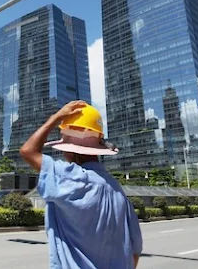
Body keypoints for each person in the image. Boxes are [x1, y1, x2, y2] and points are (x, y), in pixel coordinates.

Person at [20, 100, 143, 269]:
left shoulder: (71, 178)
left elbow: (28, 151)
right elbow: (135, 252)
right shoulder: (117, 190)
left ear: (72, 150)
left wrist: (55, 118)